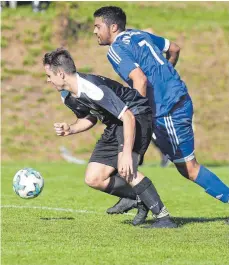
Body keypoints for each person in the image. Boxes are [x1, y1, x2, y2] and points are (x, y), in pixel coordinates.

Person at [93, 6, 229, 222]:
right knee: (132, 147)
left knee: (189, 168)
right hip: (173, 100)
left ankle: (134, 197)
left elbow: (140, 80)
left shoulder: (116, 50)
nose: (95, 31)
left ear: (113, 26)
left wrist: (139, 114)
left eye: (98, 26)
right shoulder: (139, 35)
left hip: (168, 109)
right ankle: (133, 195)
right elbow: (174, 49)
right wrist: (167, 76)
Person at [43, 48, 177, 228]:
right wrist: (71, 128)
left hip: (136, 116)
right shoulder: (67, 96)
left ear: (60, 74)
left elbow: (127, 116)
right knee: (94, 178)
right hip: (115, 123)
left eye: (49, 75)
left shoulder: (92, 89)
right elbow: (90, 117)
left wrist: (127, 152)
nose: (47, 80)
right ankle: (138, 198)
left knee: (125, 167)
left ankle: (164, 218)